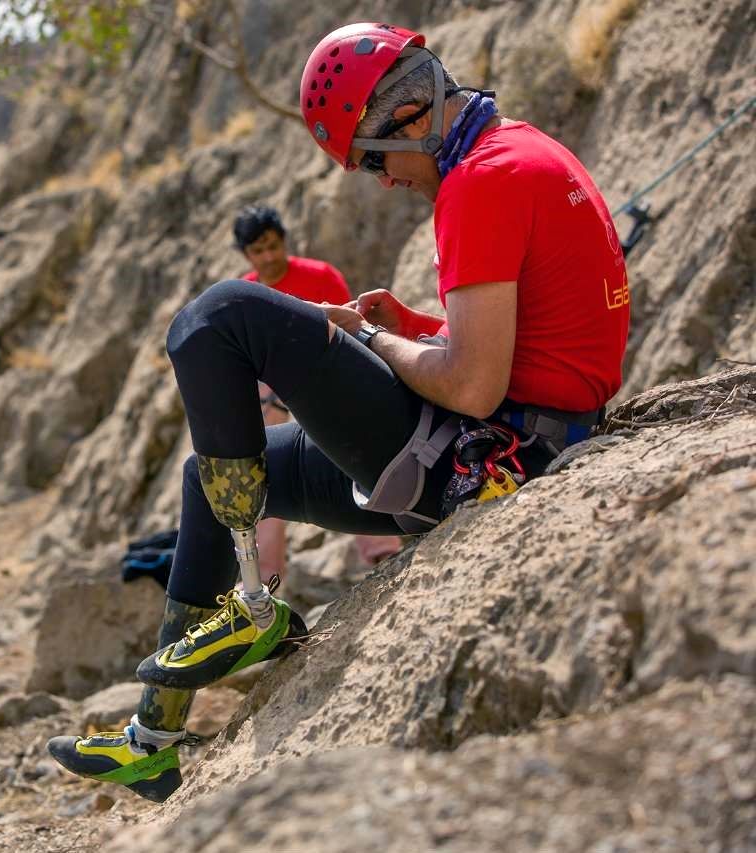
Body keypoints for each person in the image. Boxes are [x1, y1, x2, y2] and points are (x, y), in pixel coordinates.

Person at [48, 21, 630, 802]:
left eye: (373, 160)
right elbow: (514, 350)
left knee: (221, 315)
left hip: (487, 452)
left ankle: (254, 605)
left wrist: (374, 339)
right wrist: (415, 326)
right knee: (201, 479)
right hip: (506, 436)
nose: (382, 181)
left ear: (412, 115)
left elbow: (470, 388)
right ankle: (152, 739)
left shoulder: (480, 182)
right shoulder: (520, 151)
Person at [234, 204, 404, 571]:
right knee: (265, 470)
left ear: (283, 240)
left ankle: (382, 548)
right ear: (247, 255)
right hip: (271, 391)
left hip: (321, 375)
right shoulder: (246, 295)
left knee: (350, 447)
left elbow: (346, 330)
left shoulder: (320, 276)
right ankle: (265, 577)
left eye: (271, 245)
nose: (267, 256)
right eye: (257, 251)